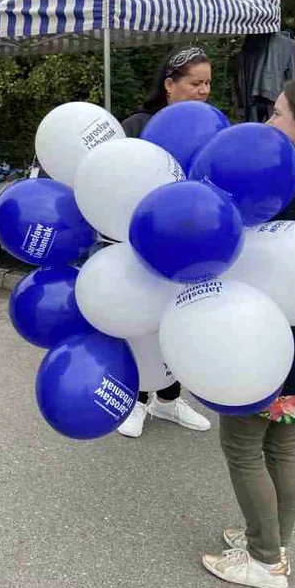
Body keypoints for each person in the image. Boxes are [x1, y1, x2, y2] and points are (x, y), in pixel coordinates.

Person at [202, 74, 295, 588]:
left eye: (278, 113)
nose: (268, 122)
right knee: (281, 447)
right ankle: (274, 542)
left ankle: (263, 559)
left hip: (267, 351)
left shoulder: (284, 188)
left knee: (242, 446)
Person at [116, 46, 213, 438]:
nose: (205, 90)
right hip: (139, 242)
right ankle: (136, 399)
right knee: (142, 320)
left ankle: (169, 399)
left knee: (181, 320)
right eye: (196, 82)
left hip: (191, 244)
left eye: (208, 82)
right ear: (170, 86)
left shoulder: (210, 126)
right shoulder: (137, 125)